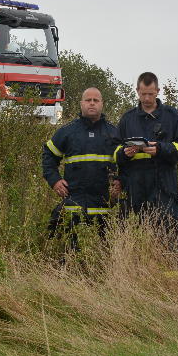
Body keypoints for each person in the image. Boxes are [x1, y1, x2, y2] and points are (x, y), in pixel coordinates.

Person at [114, 72, 178, 247]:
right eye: (143, 94)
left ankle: (170, 272)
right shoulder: (128, 119)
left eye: (150, 93)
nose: (147, 98)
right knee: (137, 240)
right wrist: (124, 153)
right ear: (137, 91)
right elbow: (114, 149)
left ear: (158, 91)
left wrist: (160, 149)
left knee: (169, 238)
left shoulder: (171, 116)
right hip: (135, 188)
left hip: (164, 186)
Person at [42, 87, 120, 250]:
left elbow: (127, 163)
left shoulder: (115, 133)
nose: (92, 103)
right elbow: (48, 155)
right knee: (68, 250)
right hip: (74, 202)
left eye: (96, 100)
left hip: (104, 205)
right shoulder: (67, 131)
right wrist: (55, 181)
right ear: (81, 104)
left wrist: (120, 183)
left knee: (103, 253)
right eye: (88, 100)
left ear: (102, 104)